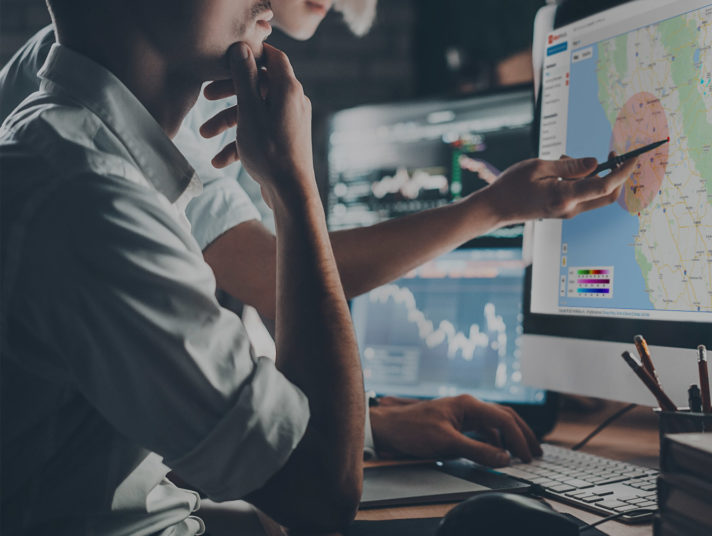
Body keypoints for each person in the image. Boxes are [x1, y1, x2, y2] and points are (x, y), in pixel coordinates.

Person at [0, 0, 636, 533]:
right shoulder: (91, 199)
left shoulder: (92, 154)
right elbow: (321, 496)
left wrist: (372, 427)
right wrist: (292, 183)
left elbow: (146, 409)